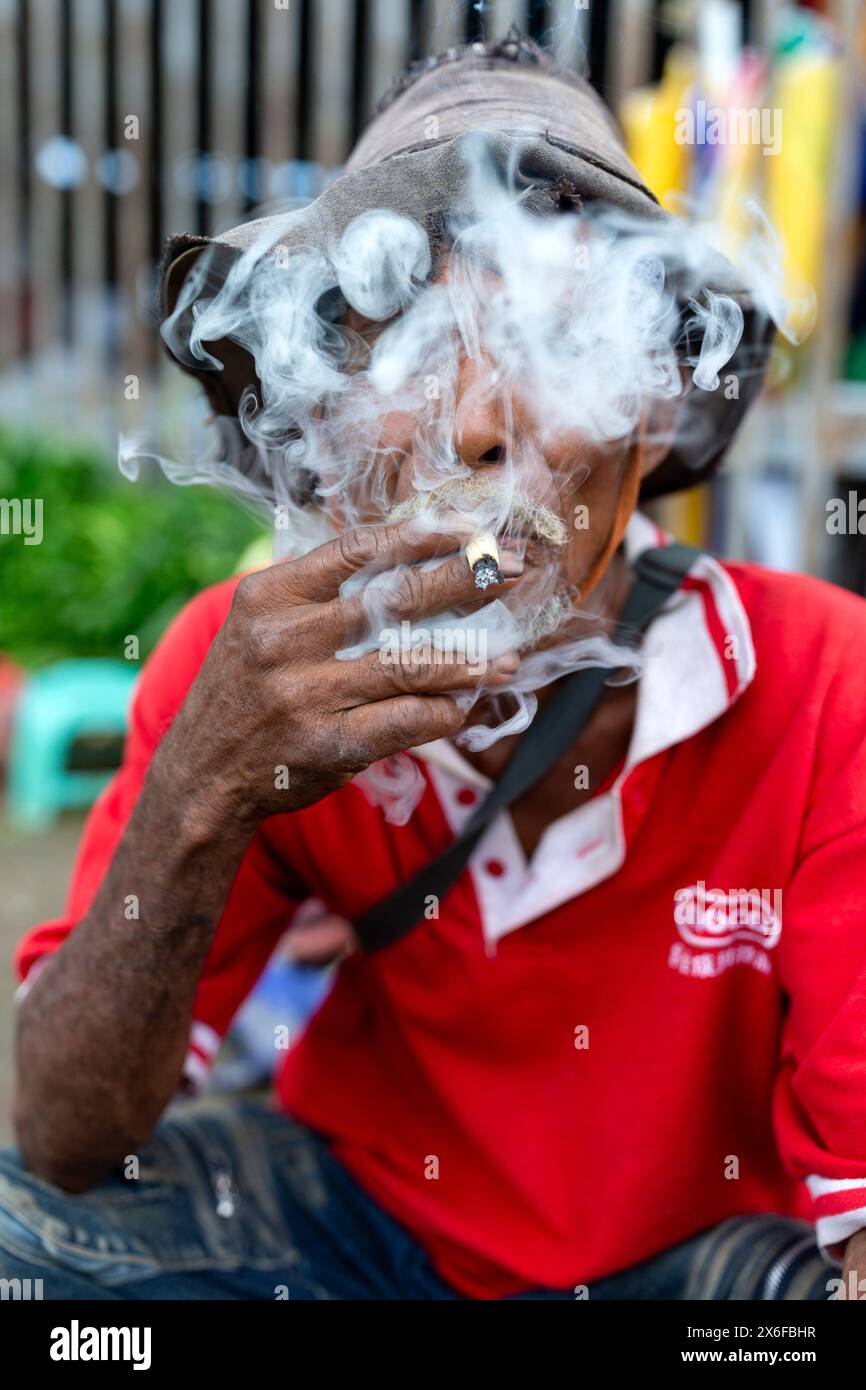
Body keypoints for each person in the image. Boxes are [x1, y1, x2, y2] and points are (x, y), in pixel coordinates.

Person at [3, 33, 866, 1302]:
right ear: (326, 410)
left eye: (547, 335)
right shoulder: (249, 674)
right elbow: (67, 1137)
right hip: (360, 1230)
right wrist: (205, 786)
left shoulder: (822, 682)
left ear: (645, 408)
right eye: (402, 334)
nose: (470, 420)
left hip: (683, 1273)